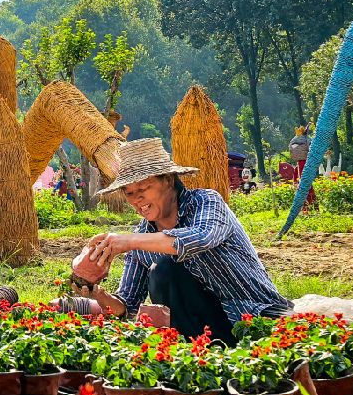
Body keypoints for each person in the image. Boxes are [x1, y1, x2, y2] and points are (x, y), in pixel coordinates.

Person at [70, 138, 291, 344]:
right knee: (163, 271)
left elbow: (201, 238)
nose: (136, 199)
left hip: (256, 315)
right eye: (128, 193)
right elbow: (126, 306)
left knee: (166, 267)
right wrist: (98, 294)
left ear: (167, 180)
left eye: (143, 188)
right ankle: (199, 357)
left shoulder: (206, 202)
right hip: (202, 329)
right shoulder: (141, 236)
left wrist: (129, 241)